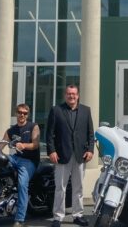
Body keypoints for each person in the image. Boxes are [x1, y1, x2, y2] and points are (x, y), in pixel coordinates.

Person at [46, 85, 95, 227]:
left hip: (80, 155)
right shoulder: (56, 110)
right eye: (68, 94)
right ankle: (58, 217)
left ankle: (78, 215)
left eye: (73, 94)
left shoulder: (86, 110)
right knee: (60, 187)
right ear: (65, 95)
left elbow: (90, 133)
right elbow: (49, 134)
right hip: (61, 155)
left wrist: (91, 150)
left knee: (78, 187)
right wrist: (51, 151)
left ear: (78, 95)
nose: (71, 96)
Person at [0, 103, 41, 227]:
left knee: (22, 184)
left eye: (24, 113)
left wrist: (23, 145)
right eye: (19, 112)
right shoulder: (11, 130)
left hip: (29, 160)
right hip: (15, 158)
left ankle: (20, 219)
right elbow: (1, 145)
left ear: (27, 115)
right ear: (16, 113)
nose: (22, 115)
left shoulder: (33, 126)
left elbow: (36, 144)